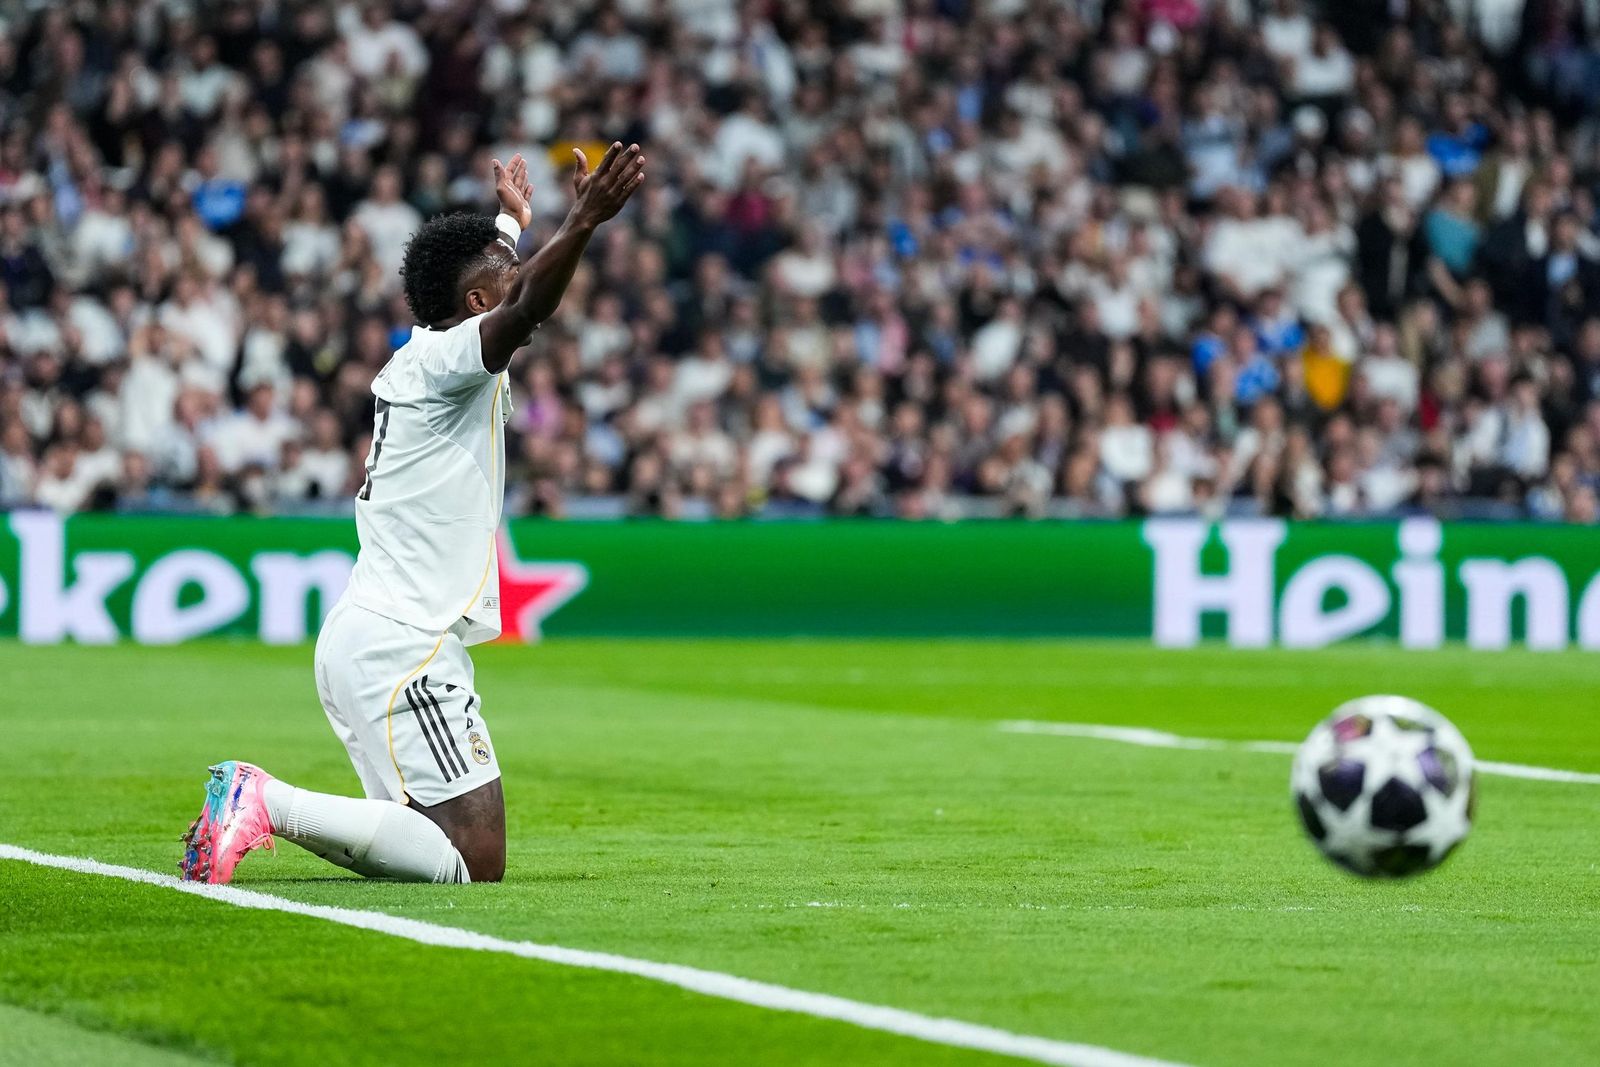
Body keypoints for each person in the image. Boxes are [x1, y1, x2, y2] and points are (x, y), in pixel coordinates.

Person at [178, 142, 647, 884]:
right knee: (472, 860)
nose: (516, 266)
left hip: (372, 637)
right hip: (404, 644)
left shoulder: (432, 354)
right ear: (475, 306)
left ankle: (263, 802)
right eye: (505, 265)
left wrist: (510, 222)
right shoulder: (446, 359)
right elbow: (522, 305)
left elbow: (503, 289)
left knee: (422, 847)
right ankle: (263, 798)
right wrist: (584, 221)